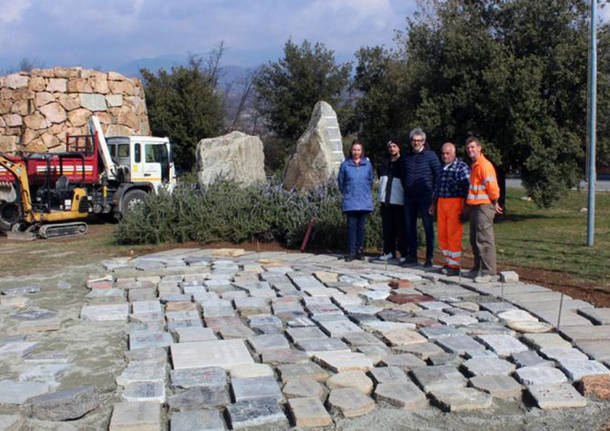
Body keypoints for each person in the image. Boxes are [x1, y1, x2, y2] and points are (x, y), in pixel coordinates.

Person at [464, 136, 503, 282]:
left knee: (484, 239)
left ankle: (488, 271)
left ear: (479, 148)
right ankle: (478, 268)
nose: (470, 150)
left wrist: (495, 201)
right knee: (475, 238)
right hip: (476, 206)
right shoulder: (475, 165)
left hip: (484, 206)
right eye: (468, 148)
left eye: (473, 147)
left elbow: (492, 187)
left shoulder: (484, 165)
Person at [401, 128, 441, 267]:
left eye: (419, 140)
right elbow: (402, 175)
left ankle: (429, 258)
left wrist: (434, 194)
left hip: (426, 197)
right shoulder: (406, 157)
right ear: (411, 141)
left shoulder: (431, 156)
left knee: (428, 227)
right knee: (410, 227)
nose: (416, 143)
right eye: (414, 140)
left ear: (423, 141)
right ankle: (412, 256)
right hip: (409, 197)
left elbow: (438, 175)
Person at [429, 142, 470, 276]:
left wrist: (466, 207)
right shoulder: (441, 168)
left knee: (453, 235)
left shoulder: (461, 167)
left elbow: (468, 188)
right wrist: (433, 204)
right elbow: (436, 188)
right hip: (441, 203)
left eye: (447, 153)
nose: (445, 156)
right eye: (443, 153)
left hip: (455, 203)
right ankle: (447, 261)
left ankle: (454, 265)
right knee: (443, 234)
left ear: (454, 153)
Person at [338, 140, 373, 262]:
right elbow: (341, 182)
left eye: (358, 150)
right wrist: (347, 192)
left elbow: (370, 181)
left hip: (364, 200)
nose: (356, 152)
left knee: (361, 228)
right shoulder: (345, 165)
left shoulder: (367, 165)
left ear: (362, 151)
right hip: (350, 201)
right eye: (354, 150)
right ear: (351, 150)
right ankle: (351, 252)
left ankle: (360, 251)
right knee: (351, 227)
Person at [377, 139, 406, 261]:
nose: (392, 149)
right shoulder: (384, 163)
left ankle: (404, 253)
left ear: (399, 148)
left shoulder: (403, 163)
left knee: (401, 229)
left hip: (398, 201)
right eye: (390, 147)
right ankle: (389, 251)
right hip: (386, 201)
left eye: (394, 146)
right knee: (387, 229)